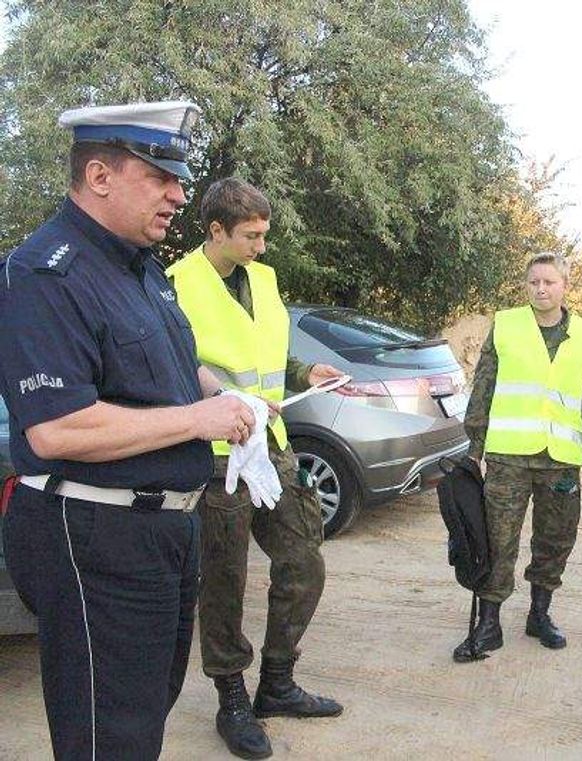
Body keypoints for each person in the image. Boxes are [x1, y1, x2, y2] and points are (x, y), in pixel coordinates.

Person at [0, 101, 258, 760]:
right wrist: (200, 420)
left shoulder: (138, 265)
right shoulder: (45, 271)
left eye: (179, 177)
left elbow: (161, 366)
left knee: (140, 717)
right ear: (99, 174)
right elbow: (57, 427)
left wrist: (222, 392)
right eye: (160, 176)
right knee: (107, 734)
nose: (179, 194)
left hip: (162, 532)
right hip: (94, 534)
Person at [165, 177, 345, 759]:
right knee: (225, 579)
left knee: (302, 560)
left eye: (264, 234)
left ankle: (277, 682)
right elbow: (172, 367)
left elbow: (267, 352)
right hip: (217, 457)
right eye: (251, 236)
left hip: (272, 443)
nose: (261, 246)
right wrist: (226, 401)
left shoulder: (263, 279)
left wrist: (303, 374)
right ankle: (232, 696)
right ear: (215, 230)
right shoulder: (177, 285)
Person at [453, 253, 582, 662]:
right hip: (509, 457)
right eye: (534, 282)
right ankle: (489, 624)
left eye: (549, 282)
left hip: (561, 459)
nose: (541, 289)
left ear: (565, 285)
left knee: (555, 539)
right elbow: (483, 385)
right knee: (497, 539)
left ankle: (540, 614)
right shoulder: (506, 325)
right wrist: (476, 444)